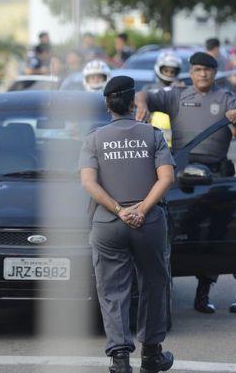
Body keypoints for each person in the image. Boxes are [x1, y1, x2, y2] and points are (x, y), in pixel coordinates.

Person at [135, 51, 236, 314]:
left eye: (207, 70)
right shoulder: (178, 95)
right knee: (191, 232)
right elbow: (145, 95)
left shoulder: (226, 97)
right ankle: (201, 292)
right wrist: (142, 104)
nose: (202, 74)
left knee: (227, 231)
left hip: (217, 174)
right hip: (184, 174)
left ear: (214, 72)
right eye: (197, 70)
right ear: (192, 72)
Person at [79, 75, 175, 373]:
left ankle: (120, 359)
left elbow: (88, 182)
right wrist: (142, 210)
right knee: (154, 285)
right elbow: (167, 178)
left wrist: (120, 210)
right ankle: (151, 354)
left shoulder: (94, 138)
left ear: (107, 103)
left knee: (112, 290)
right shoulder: (153, 135)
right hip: (148, 223)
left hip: (108, 223)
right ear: (133, 102)